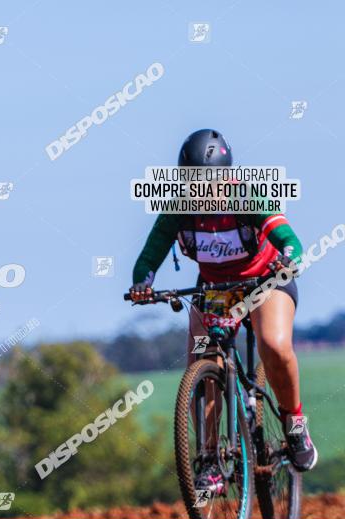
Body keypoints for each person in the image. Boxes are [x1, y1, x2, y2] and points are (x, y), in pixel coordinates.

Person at [129, 129, 318, 491]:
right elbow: (149, 257)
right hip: (216, 291)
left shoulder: (246, 196)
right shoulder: (178, 208)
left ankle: (294, 423)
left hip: (264, 281)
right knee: (202, 365)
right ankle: (211, 458)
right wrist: (143, 284)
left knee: (273, 344)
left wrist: (287, 260)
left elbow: (290, 241)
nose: (201, 190)